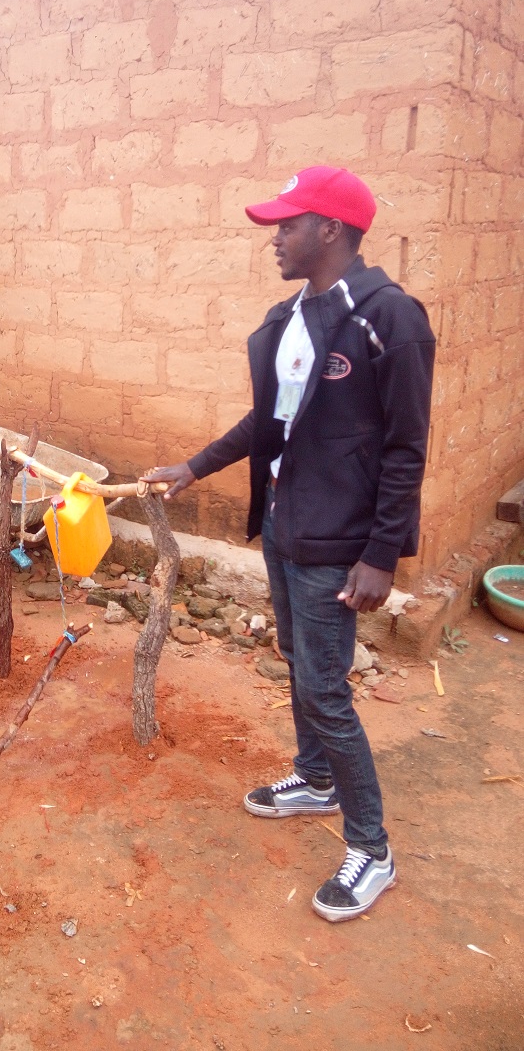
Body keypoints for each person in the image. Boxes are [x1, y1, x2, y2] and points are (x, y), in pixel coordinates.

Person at [144, 166, 435, 921]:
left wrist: (381, 554)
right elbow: (266, 424)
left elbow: (407, 446)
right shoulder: (288, 319)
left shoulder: (387, 317)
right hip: (281, 522)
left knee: (326, 690)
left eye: (288, 223)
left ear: (330, 229)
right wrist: (193, 466)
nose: (275, 237)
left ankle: (371, 848)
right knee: (296, 663)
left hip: (339, 539)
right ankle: (315, 778)